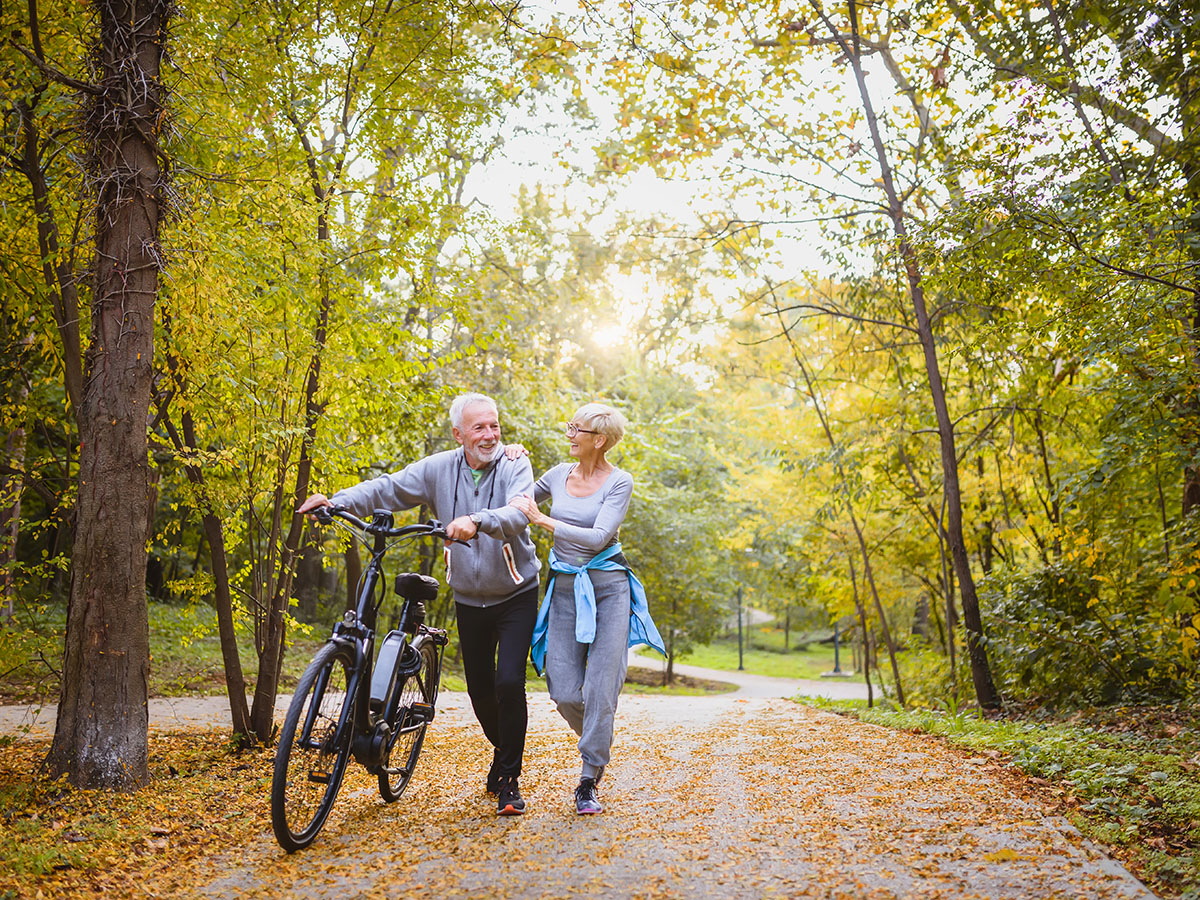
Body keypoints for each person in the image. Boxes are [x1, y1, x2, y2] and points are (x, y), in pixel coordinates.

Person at [298, 392, 539, 816]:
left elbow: (519, 511)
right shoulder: (440, 468)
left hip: (516, 592)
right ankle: (504, 752)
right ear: (459, 433)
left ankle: (509, 779)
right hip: (469, 596)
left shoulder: (516, 463)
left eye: (494, 425)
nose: (489, 435)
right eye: (479, 427)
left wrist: (477, 520)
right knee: (480, 691)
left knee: (507, 682)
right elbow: (388, 487)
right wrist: (336, 502)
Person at [509, 402, 665, 815]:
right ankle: (599, 739)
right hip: (565, 588)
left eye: (576, 428)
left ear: (599, 439)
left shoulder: (620, 481)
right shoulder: (558, 474)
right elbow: (518, 497)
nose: (569, 434)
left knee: (600, 688)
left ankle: (587, 779)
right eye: (569, 426)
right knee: (562, 689)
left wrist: (542, 521)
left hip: (610, 589)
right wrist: (510, 457)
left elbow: (597, 537)